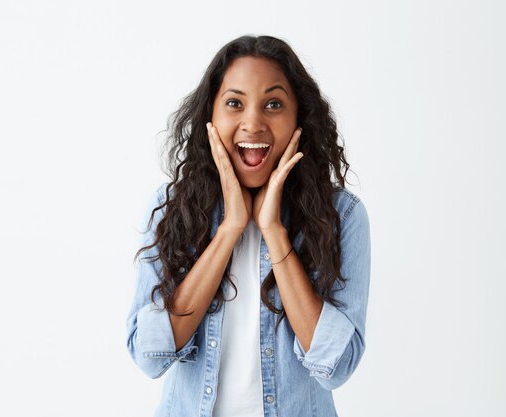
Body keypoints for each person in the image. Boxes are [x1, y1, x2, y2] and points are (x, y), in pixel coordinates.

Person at [125, 34, 371, 417]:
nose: (252, 123)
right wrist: (229, 231)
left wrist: (273, 230)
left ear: (299, 118)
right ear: (211, 116)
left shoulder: (342, 216)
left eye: (273, 104)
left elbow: (335, 367)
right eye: (234, 103)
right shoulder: (171, 207)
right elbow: (149, 354)